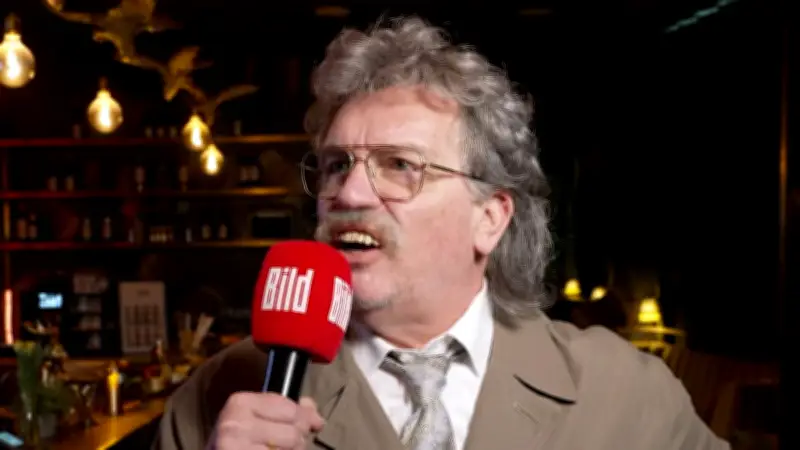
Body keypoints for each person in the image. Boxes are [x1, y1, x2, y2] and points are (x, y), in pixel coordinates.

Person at [153, 15, 730, 450]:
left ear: (490, 218)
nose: (349, 194)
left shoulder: (625, 391)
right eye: (336, 165)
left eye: (400, 165)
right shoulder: (220, 395)